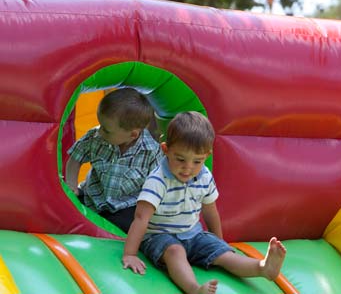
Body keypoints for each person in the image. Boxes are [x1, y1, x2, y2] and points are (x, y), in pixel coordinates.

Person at [122, 111, 286, 294]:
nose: (188, 168)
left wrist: (219, 242)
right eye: (180, 159)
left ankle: (263, 267)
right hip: (159, 236)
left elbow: (210, 211)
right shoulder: (158, 181)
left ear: (207, 156)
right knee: (175, 252)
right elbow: (140, 218)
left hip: (194, 234)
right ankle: (194, 289)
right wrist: (130, 254)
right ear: (166, 149)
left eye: (197, 161)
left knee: (223, 254)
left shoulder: (204, 176)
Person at [65, 87, 163, 233]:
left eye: (106, 129)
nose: (99, 131)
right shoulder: (96, 137)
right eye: (100, 125)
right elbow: (75, 157)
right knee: (67, 210)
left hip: (126, 206)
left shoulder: (151, 151)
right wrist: (72, 185)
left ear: (133, 135)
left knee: (133, 224)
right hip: (93, 198)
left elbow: (157, 184)